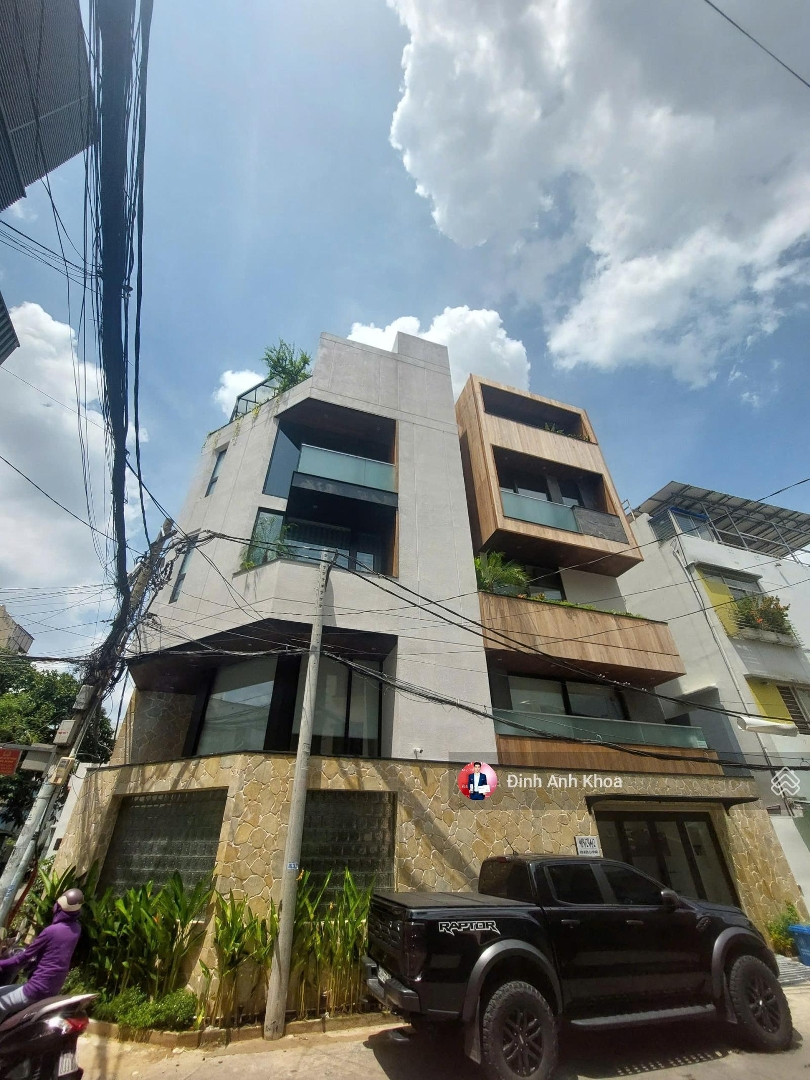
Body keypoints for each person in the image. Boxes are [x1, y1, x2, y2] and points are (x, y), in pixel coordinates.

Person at [0, 889, 83, 1019]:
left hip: (36, 988)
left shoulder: (51, 931)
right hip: (53, 987)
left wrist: (1, 963)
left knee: (1, 1002)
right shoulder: (76, 928)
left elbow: (22, 958)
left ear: (58, 907)